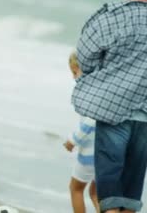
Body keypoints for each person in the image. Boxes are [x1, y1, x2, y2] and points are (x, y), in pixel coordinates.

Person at [73, 0, 147, 213]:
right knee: (131, 191)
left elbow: (84, 54)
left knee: (110, 191)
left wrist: (104, 73)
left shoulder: (113, 16)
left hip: (114, 109)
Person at [64, 52, 99, 213]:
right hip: (107, 151)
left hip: (90, 154)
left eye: (74, 72)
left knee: (75, 189)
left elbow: (89, 122)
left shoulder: (89, 92)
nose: (73, 77)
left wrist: (72, 140)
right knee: (96, 193)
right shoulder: (104, 88)